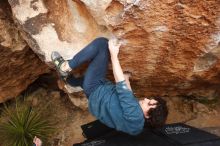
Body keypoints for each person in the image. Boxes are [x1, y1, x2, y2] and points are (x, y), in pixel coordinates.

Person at [51, 37, 168, 135]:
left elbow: (121, 86)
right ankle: (69, 80)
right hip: (95, 100)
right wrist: (127, 78)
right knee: (84, 80)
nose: (146, 99)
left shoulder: (135, 114)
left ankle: (65, 67)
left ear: (148, 116)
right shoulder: (137, 128)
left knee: (102, 44)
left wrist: (114, 54)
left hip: (95, 88)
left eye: (149, 103)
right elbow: (127, 99)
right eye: (150, 100)